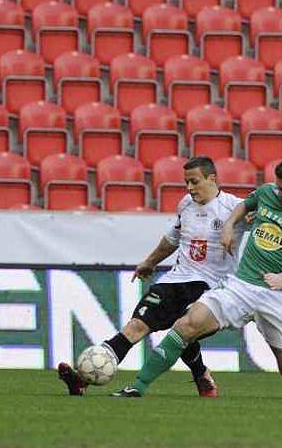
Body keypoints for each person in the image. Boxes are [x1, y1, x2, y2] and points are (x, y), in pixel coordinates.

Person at [114, 156, 282, 400]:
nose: (279, 193)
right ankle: (138, 387)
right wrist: (229, 225)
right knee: (186, 325)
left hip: (278, 296)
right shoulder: (267, 192)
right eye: (277, 187)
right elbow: (244, 206)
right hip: (241, 286)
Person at [58, 156, 248, 397]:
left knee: (183, 329)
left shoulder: (236, 208)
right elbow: (173, 238)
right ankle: (83, 379)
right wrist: (150, 262)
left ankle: (196, 376)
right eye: (186, 183)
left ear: (212, 178)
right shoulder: (186, 205)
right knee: (137, 325)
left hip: (211, 286)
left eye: (194, 182)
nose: (189, 188)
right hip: (176, 279)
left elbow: (266, 227)